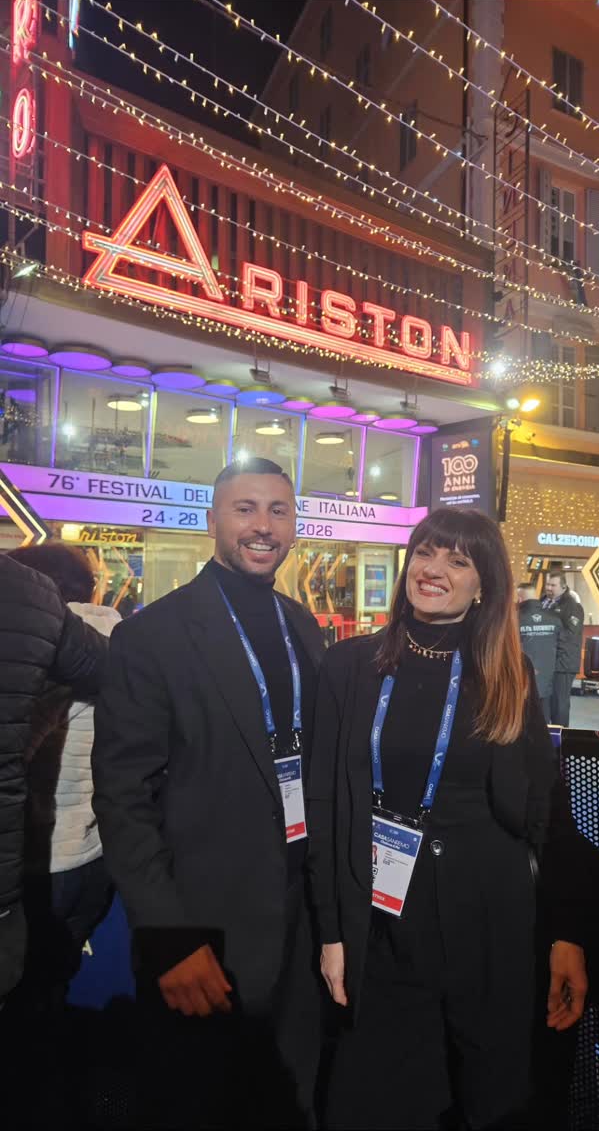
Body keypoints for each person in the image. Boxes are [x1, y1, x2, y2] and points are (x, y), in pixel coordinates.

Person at [307, 508, 589, 1131]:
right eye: (426, 553)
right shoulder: (350, 666)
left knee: (491, 1100)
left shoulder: (507, 672)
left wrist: (565, 934)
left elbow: (547, 809)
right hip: (384, 924)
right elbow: (323, 804)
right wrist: (332, 931)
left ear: (484, 584)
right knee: (373, 1099)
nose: (433, 570)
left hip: (489, 921)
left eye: (458, 561)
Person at [92, 457, 325, 1128]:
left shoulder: (301, 625)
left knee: (287, 1102)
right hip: (206, 932)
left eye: (278, 510)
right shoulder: (152, 636)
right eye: (245, 509)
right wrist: (170, 939)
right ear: (212, 520)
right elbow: (123, 798)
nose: (263, 526)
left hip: (299, 921)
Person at [6, 543, 120, 1009]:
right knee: (56, 987)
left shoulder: (48, 650)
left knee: (24, 995)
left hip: (43, 860)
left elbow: (19, 749)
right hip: (94, 852)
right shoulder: (119, 645)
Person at [543, 572, 585, 727]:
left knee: (559, 704)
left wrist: (546, 633)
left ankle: (561, 736)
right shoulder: (543, 602)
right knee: (545, 704)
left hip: (563, 663)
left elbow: (570, 634)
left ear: (563, 587)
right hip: (547, 662)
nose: (549, 588)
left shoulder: (573, 606)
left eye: (553, 585)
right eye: (547, 584)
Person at [517, 582, 559, 723]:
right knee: (544, 716)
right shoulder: (554, 618)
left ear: (520, 598)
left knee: (523, 718)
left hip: (523, 676)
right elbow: (562, 645)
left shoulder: (513, 619)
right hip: (547, 676)